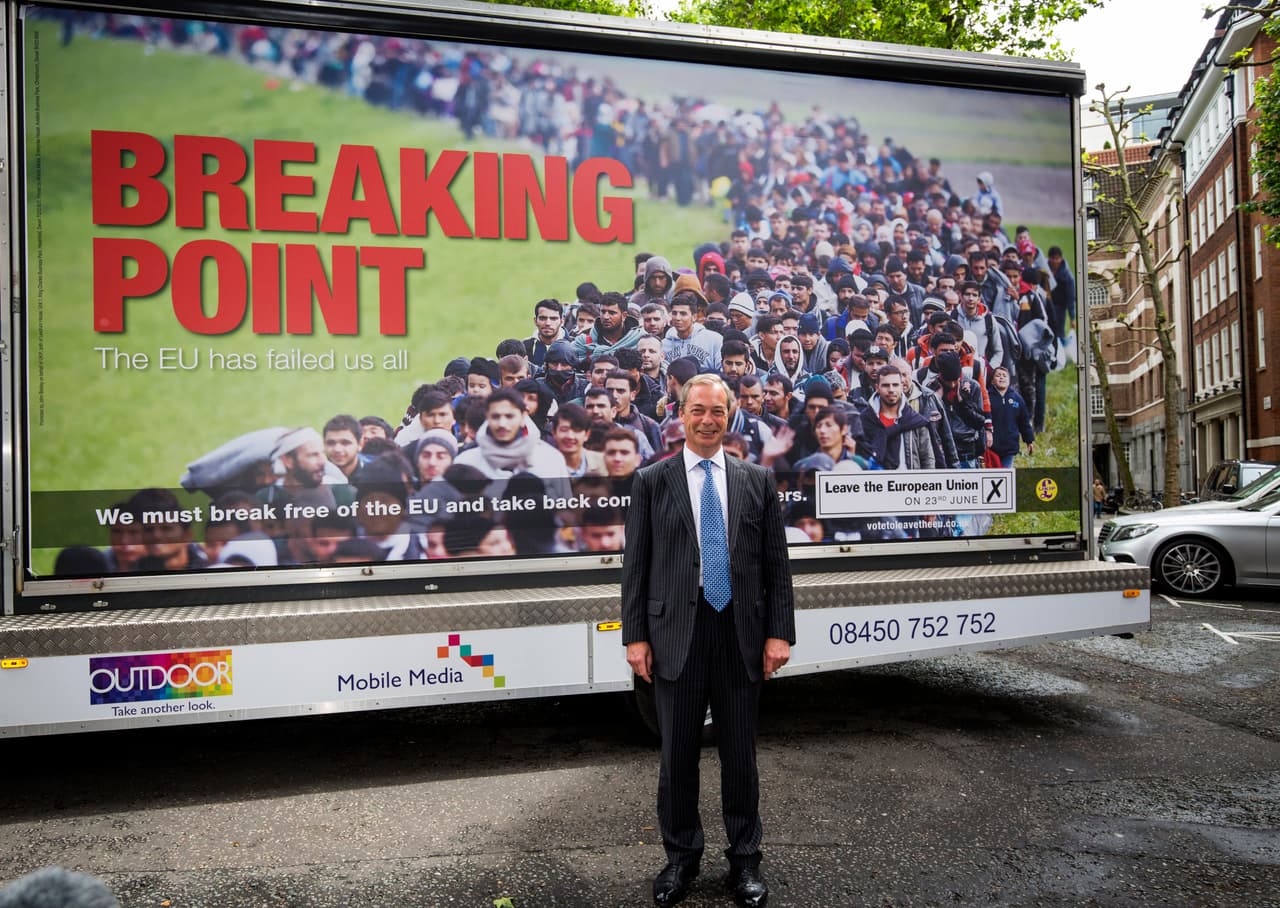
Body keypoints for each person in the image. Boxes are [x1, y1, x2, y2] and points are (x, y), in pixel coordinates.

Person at [622, 373, 795, 908]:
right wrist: (636, 638)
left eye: (716, 411)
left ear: (730, 415)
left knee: (739, 756)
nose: (706, 420)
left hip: (740, 634)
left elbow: (775, 566)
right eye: (697, 410)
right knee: (677, 757)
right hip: (676, 635)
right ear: (681, 413)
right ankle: (681, 859)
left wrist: (778, 633)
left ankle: (745, 862)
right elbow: (637, 566)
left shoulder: (756, 481)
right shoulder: (653, 480)